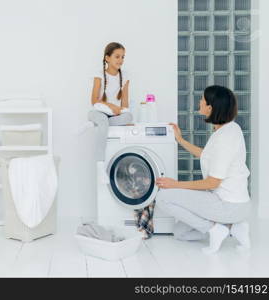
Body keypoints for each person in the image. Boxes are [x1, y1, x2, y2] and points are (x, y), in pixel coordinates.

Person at [155, 85, 251, 254]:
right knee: (181, 233)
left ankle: (216, 229)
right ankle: (233, 227)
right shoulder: (230, 128)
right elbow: (206, 155)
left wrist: (175, 184)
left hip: (228, 205)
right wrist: (181, 140)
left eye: (202, 100)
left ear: (210, 108)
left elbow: (213, 182)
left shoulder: (224, 139)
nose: (199, 102)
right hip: (235, 204)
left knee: (163, 197)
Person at [79, 42, 133, 160]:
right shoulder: (99, 75)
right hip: (98, 112)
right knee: (103, 119)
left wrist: (123, 114)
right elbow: (94, 101)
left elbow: (125, 103)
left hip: (113, 115)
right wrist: (111, 106)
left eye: (123, 57)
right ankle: (100, 161)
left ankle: (94, 124)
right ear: (107, 58)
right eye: (117, 56)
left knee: (129, 116)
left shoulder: (125, 76)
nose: (121, 60)